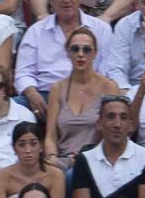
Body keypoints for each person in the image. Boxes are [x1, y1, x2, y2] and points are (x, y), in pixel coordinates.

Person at [14, 0, 113, 118]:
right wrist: (32, 93)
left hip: (87, 94)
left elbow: (107, 71)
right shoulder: (36, 31)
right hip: (43, 95)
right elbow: (23, 73)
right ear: (51, 0)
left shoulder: (101, 29)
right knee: (14, 107)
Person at [72, 95, 145, 198]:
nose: (117, 124)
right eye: (110, 117)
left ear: (131, 125)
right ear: (99, 124)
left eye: (123, 117)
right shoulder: (84, 160)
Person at [43, 26, 120, 171]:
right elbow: (50, 136)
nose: (80, 54)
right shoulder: (57, 89)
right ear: (68, 52)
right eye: (75, 49)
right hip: (63, 161)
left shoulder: (109, 87)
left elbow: (114, 131)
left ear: (95, 53)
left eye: (86, 50)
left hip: (98, 160)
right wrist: (52, 157)